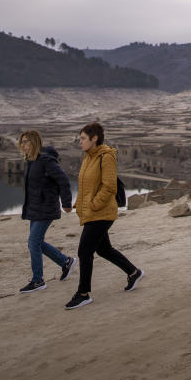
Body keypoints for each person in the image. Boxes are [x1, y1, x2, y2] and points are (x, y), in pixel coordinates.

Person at [66, 123, 143, 310]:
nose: (80, 142)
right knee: (104, 249)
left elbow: (109, 186)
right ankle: (133, 272)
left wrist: (93, 205)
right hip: (93, 212)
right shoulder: (88, 157)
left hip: (102, 213)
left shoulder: (106, 157)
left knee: (84, 251)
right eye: (80, 138)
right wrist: (79, 203)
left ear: (94, 139)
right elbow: (87, 185)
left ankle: (83, 294)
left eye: (83, 138)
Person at [17, 130, 76, 294]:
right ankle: (66, 262)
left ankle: (38, 280)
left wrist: (66, 203)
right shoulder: (31, 160)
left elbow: (63, 180)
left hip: (46, 207)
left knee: (33, 242)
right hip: (35, 208)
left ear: (35, 142)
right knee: (35, 242)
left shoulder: (45, 160)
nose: (23, 145)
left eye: (27, 142)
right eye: (22, 142)